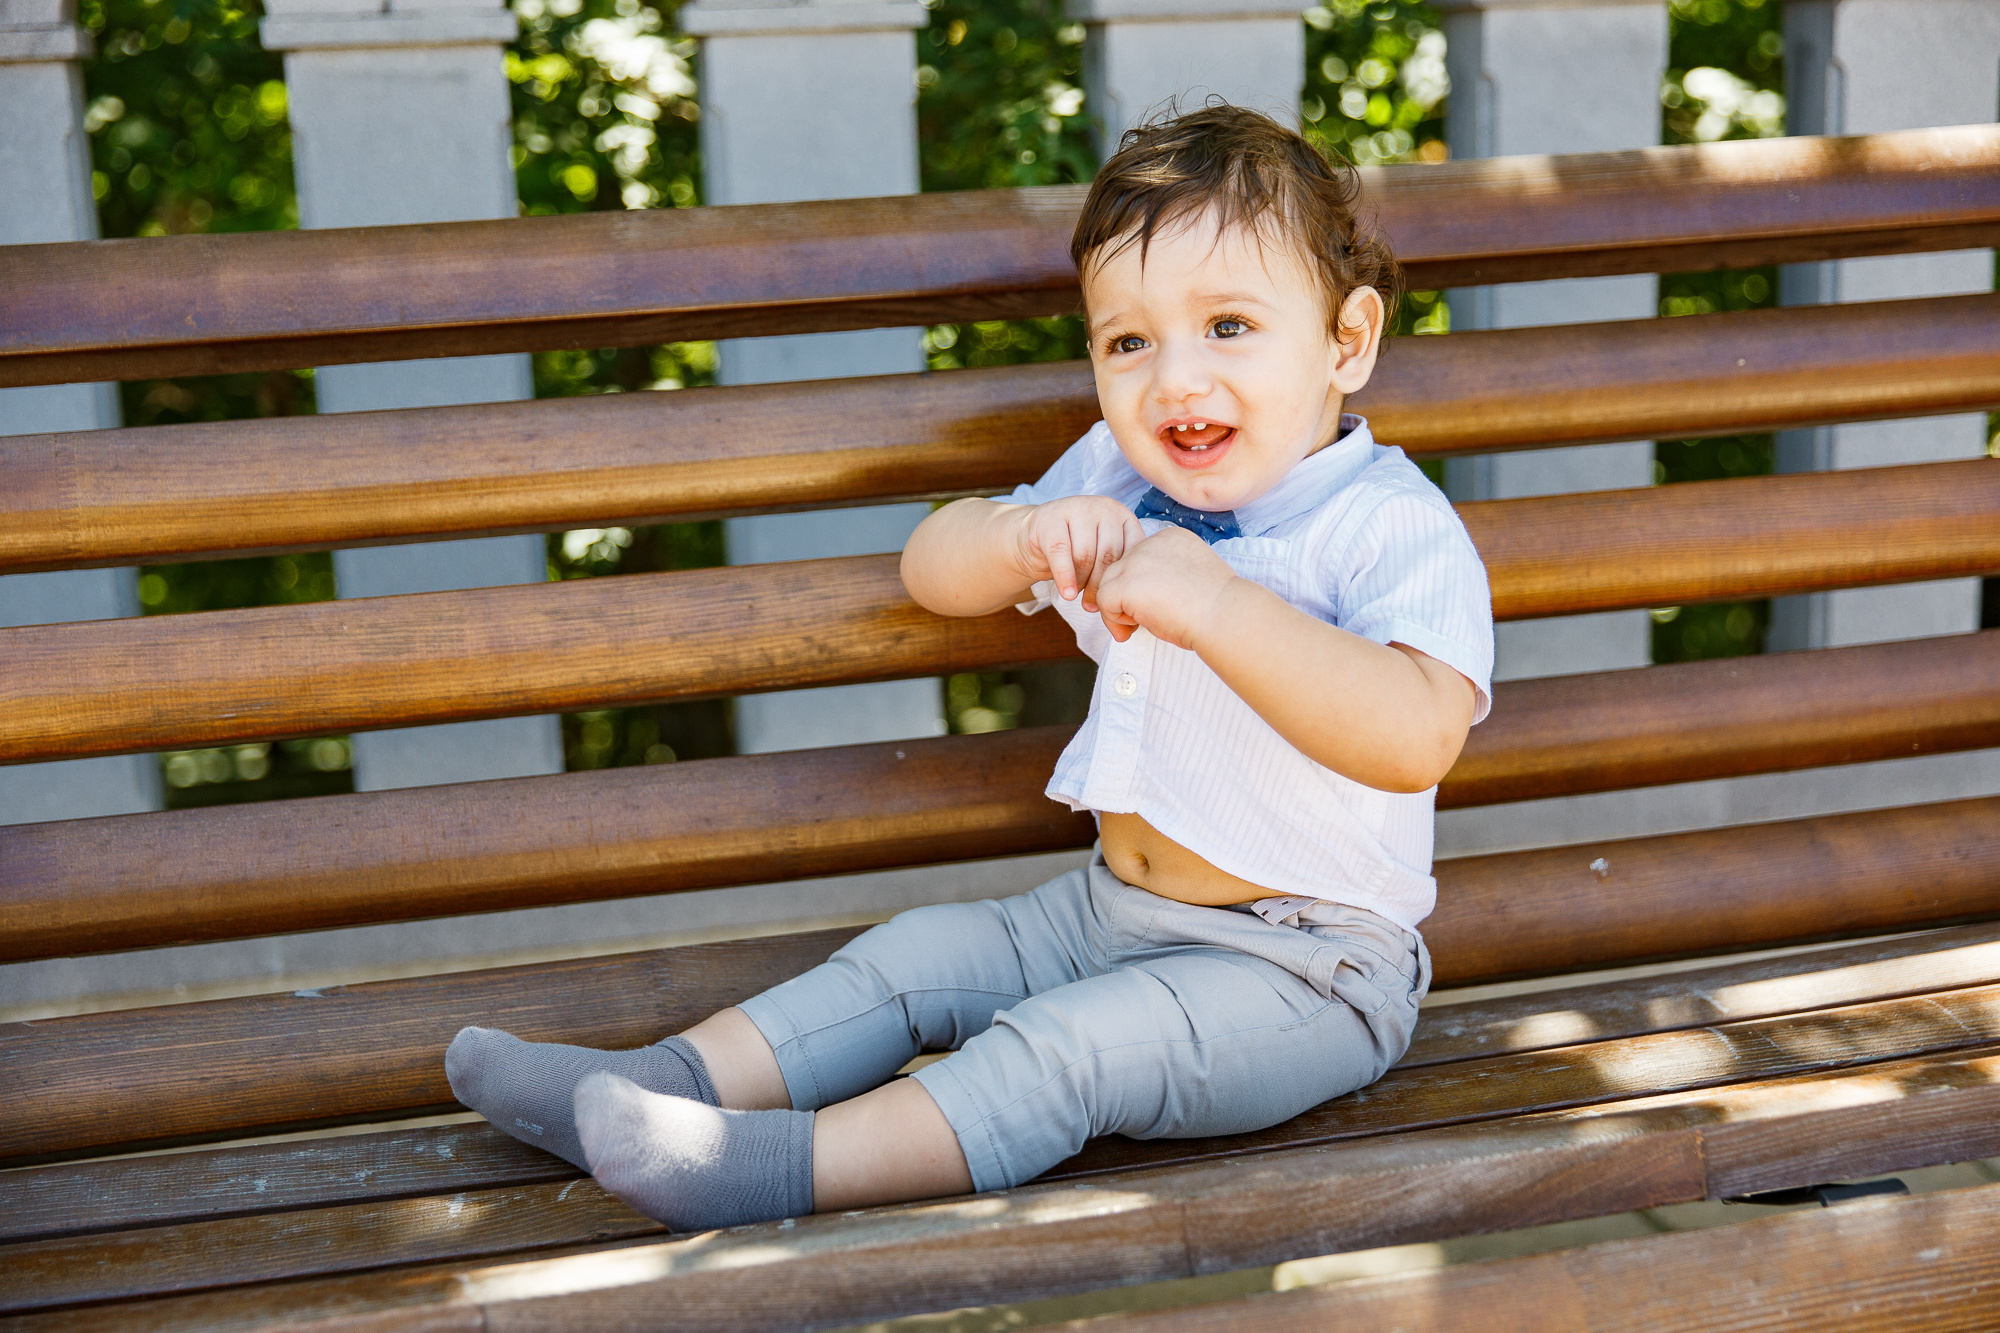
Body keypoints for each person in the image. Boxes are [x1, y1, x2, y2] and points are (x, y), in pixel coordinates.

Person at [444, 102, 1494, 1232]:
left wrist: (1221, 605)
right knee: (917, 955)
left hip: (1305, 969)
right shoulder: (1117, 478)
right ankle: (663, 1084)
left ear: (1346, 339)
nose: (1173, 380)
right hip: (1105, 912)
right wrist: (1015, 537)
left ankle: (766, 1168)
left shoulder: (1385, 525)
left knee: (1063, 1051)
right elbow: (930, 567)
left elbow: (1414, 732)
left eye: (1227, 325)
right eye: (1127, 341)